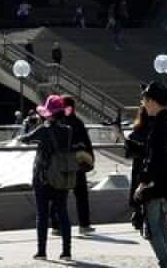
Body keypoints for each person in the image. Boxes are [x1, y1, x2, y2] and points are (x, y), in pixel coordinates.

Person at [126, 82, 167, 268]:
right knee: (160, 227)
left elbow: (153, 159)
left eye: (145, 99)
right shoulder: (163, 124)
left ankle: (166, 264)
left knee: (153, 229)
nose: (143, 103)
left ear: (153, 101)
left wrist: (143, 183)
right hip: (164, 184)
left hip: (155, 186)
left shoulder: (157, 127)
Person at [21, 95, 75, 260]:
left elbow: (25, 139)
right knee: (63, 213)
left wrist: (28, 126)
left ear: (49, 113)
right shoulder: (68, 130)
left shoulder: (43, 129)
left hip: (43, 177)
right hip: (61, 176)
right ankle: (66, 251)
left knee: (42, 215)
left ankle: (42, 251)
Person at [62, 95, 95, 235]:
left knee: (60, 195)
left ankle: (57, 226)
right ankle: (84, 225)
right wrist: (91, 159)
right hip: (78, 164)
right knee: (81, 195)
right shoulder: (77, 122)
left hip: (62, 164)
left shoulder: (59, 122)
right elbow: (87, 143)